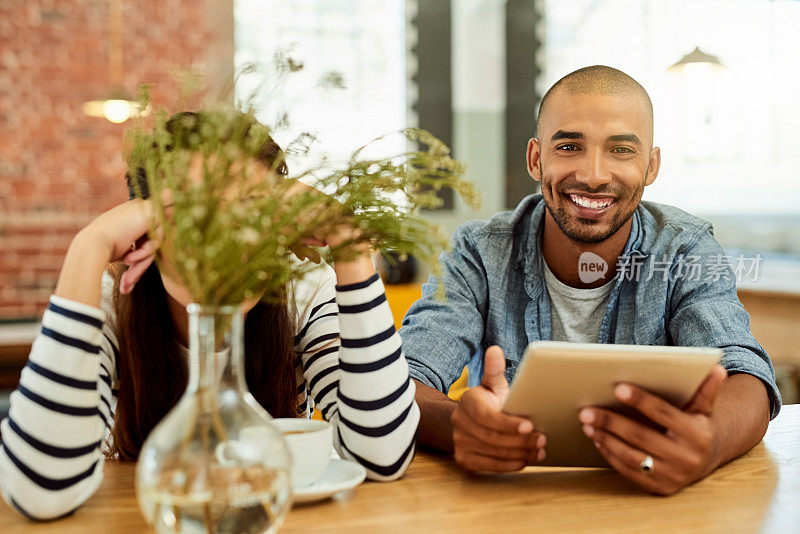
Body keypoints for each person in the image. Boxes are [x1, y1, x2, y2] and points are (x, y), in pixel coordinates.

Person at [0, 112, 419, 520]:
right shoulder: (113, 298)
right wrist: (89, 245)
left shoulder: (305, 288)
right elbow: (39, 490)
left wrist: (350, 242)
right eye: (195, 214)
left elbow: (383, 455)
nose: (227, 244)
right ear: (145, 231)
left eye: (251, 210)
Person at [400, 66, 780, 495]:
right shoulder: (477, 251)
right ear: (535, 158)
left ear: (651, 166)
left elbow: (747, 377)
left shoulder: (685, 249)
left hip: (645, 503)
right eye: (568, 146)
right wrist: (459, 427)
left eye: (621, 150)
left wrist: (708, 444)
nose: (594, 175)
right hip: (507, 501)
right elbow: (401, 379)